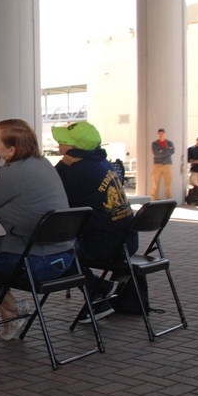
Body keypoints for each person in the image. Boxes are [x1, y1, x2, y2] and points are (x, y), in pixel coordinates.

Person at [0, 119, 73, 340]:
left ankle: (11, 308)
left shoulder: (12, 174)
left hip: (37, 260)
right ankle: (10, 310)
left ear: (12, 149)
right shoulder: (42, 163)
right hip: (65, 256)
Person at [52, 121, 136, 320]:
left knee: (49, 254)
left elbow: (51, 190)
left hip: (103, 246)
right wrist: (65, 162)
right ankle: (99, 291)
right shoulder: (102, 164)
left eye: (62, 141)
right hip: (125, 242)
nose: (58, 144)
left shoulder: (78, 173)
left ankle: (97, 289)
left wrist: (63, 164)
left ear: (75, 148)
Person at [150, 128, 175, 200]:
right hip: (157, 165)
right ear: (158, 134)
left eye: (162, 133)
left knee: (168, 183)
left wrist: (161, 151)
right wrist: (166, 152)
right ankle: (154, 199)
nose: (161, 135)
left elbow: (172, 151)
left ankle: (169, 199)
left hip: (167, 165)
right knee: (155, 183)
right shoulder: (154, 143)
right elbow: (156, 154)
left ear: (165, 134)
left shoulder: (170, 143)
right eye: (159, 133)